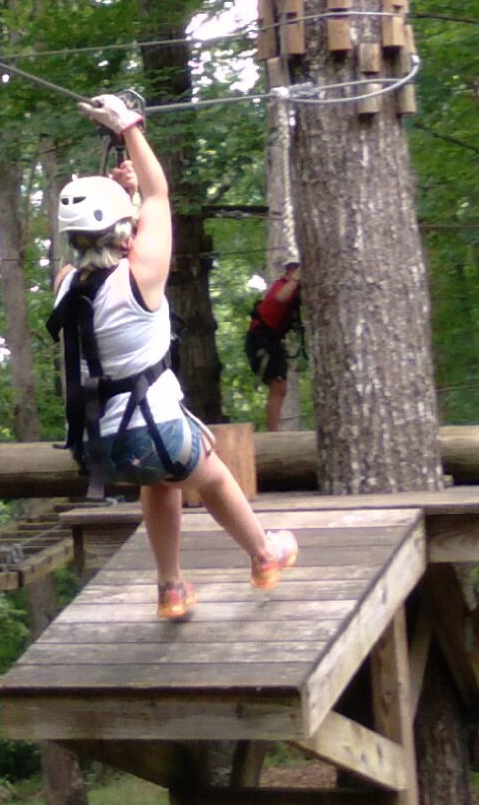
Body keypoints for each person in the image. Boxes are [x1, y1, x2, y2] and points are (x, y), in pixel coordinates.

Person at [48, 94, 297, 620]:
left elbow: (122, 233)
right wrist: (130, 128)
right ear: (124, 231)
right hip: (152, 430)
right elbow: (160, 197)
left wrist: (123, 197)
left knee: (161, 483)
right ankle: (263, 553)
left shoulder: (66, 284)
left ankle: (171, 589)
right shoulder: (141, 279)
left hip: (100, 447)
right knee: (212, 474)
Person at [245, 262, 302, 431]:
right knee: (278, 386)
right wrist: (296, 280)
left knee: (280, 387)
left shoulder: (294, 288)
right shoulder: (284, 286)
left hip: (271, 340)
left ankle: (273, 429)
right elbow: (281, 298)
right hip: (261, 340)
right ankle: (273, 431)